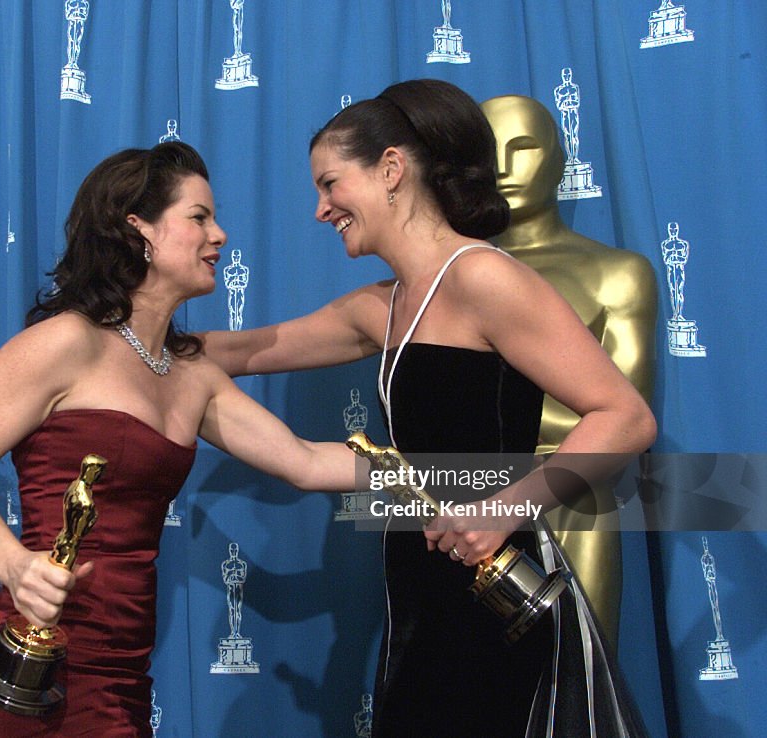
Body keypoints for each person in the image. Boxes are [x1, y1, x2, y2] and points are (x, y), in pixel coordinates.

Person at [202, 79, 656, 736]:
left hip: (496, 594)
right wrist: (128, 331)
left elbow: (626, 416)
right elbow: (245, 350)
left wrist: (505, 507)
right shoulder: (380, 307)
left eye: (330, 185)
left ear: (391, 169)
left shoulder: (484, 278)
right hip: (421, 594)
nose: (320, 209)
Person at [0, 142, 358, 737]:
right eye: (199, 217)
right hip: (47, 652)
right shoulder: (66, 343)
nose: (221, 235)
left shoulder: (191, 374)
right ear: (139, 230)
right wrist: (14, 564)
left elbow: (308, 463)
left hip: (126, 663)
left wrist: (466, 477)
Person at [480, 93, 658, 648]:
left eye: (525, 148)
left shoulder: (616, 274)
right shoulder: (455, 277)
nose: (506, 168)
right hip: (466, 501)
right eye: (491, 152)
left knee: (577, 685)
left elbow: (622, 421)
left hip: (576, 502)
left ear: (559, 160)